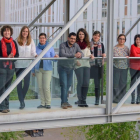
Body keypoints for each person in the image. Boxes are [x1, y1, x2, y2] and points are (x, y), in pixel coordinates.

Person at [32, 33, 58, 109]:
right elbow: (34, 60)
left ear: (46, 39)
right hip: (38, 69)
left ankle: (48, 103)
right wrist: (33, 70)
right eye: (40, 38)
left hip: (47, 70)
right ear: (39, 39)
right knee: (40, 87)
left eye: (43, 38)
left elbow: (55, 60)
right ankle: (42, 103)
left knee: (46, 87)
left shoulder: (50, 47)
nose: (42, 39)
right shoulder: (36, 48)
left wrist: (56, 57)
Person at [58, 32, 84, 109]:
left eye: (74, 39)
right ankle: (63, 102)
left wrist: (80, 55)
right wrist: (74, 55)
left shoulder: (76, 45)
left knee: (68, 85)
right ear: (68, 38)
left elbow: (81, 53)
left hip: (70, 68)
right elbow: (63, 54)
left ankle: (65, 100)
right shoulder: (62, 45)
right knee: (64, 85)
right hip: (62, 67)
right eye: (71, 38)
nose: (73, 40)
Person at [14, 26, 37, 109]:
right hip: (18, 65)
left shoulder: (31, 41)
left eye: (26, 31)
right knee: (19, 84)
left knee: (27, 84)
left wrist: (36, 55)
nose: (25, 33)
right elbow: (15, 52)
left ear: (28, 33)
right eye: (23, 31)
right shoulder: (17, 41)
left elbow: (33, 52)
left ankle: (21, 98)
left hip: (27, 65)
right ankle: (22, 102)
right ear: (21, 32)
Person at [0, 25, 19, 113]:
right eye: (5, 31)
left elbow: (17, 55)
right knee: (2, 87)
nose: (7, 32)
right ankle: (2, 106)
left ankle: (7, 105)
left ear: (10, 32)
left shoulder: (14, 43)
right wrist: (7, 57)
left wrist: (12, 58)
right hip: (2, 68)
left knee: (8, 87)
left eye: (8, 31)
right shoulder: (0, 43)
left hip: (11, 68)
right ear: (2, 33)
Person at [74, 28, 94, 107]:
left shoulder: (88, 44)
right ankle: (80, 100)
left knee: (86, 83)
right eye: (80, 34)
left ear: (85, 35)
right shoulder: (75, 44)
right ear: (78, 35)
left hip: (86, 65)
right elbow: (73, 54)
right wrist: (76, 61)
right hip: (78, 65)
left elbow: (88, 54)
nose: (81, 35)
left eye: (82, 34)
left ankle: (84, 100)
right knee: (80, 82)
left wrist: (91, 55)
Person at [90, 31, 106, 105]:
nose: (96, 37)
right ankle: (81, 99)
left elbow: (103, 53)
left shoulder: (101, 44)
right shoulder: (89, 44)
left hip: (98, 65)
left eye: (98, 36)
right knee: (85, 82)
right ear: (93, 36)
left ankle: (97, 99)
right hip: (90, 65)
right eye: (95, 35)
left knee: (97, 84)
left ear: (99, 37)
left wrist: (104, 55)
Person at [113, 34, 129, 103]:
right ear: (118, 39)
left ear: (125, 40)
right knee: (115, 84)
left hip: (124, 68)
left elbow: (129, 56)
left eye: (123, 39)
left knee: (123, 83)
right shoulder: (114, 48)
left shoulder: (126, 48)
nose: (122, 40)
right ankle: (115, 99)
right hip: (116, 67)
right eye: (120, 38)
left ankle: (122, 99)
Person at [130, 34, 140, 104]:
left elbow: (137, 55)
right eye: (136, 39)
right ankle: (133, 98)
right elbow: (135, 55)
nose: (138, 41)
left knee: (139, 84)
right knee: (133, 83)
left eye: (139, 39)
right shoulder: (132, 46)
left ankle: (138, 98)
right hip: (133, 67)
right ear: (135, 40)